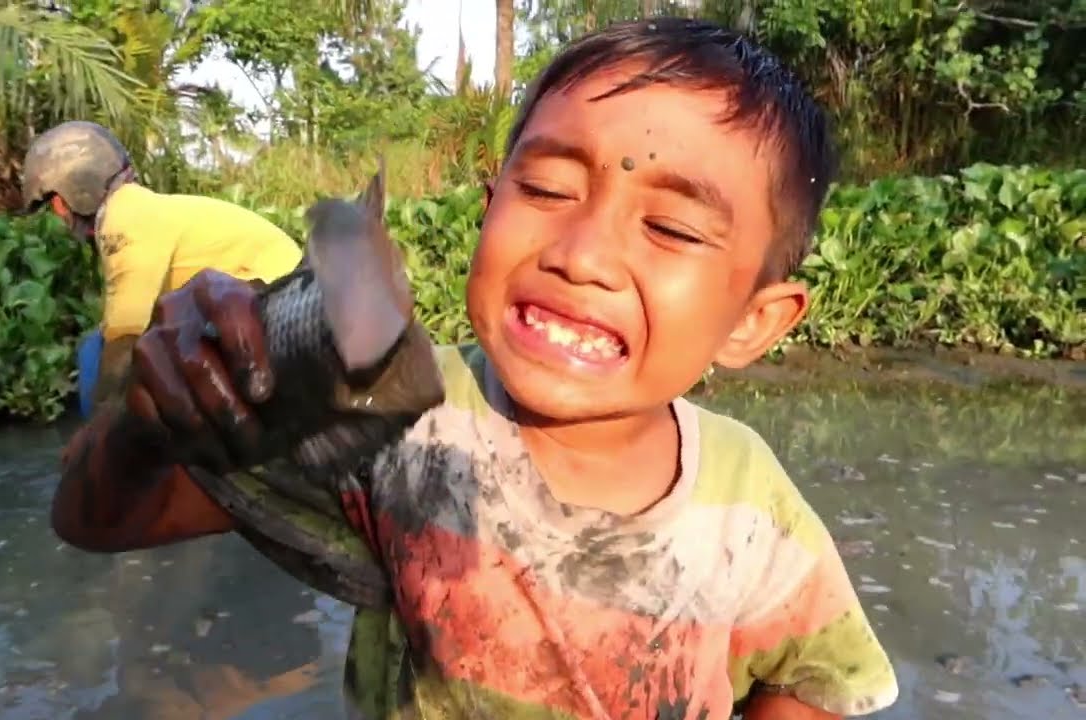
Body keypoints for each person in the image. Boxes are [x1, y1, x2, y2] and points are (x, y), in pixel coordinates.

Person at [50, 17, 899, 720]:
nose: (583, 253)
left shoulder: (752, 510)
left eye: (672, 229)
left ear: (755, 319)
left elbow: (815, 678)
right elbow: (96, 521)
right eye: (548, 190)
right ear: (489, 208)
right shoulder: (401, 426)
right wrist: (146, 420)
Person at [20, 121, 303, 416]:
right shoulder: (135, 208)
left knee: (96, 353)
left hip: (271, 295)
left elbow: (124, 338)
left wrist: (99, 431)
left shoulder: (125, 220)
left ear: (62, 204)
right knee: (105, 348)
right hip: (269, 289)